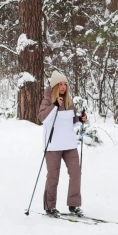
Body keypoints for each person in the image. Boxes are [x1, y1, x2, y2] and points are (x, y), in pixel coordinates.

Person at [37, 71, 87, 217]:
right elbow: (42, 119)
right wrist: (54, 105)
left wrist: (80, 119)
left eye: (65, 84)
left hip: (69, 144)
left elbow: (70, 121)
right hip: (53, 146)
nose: (63, 87)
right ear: (54, 86)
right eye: (60, 84)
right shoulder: (47, 100)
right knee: (53, 176)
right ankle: (50, 206)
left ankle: (74, 205)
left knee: (76, 173)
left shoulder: (68, 102)